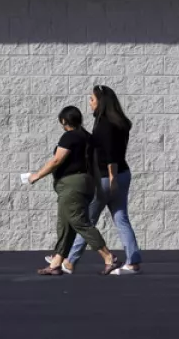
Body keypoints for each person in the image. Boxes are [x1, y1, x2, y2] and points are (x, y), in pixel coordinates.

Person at [23, 105, 118, 275]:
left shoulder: (70, 137)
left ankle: (108, 257)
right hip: (86, 183)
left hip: (72, 185)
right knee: (65, 224)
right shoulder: (89, 138)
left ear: (64, 121)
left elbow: (57, 160)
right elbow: (95, 165)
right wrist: (96, 186)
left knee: (79, 222)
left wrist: (36, 176)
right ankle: (56, 264)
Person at [63, 84, 143, 275]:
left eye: (92, 99)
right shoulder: (119, 122)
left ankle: (70, 261)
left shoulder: (105, 124)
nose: (89, 103)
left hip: (107, 178)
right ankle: (133, 262)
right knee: (121, 218)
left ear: (101, 102)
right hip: (123, 174)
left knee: (86, 221)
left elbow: (110, 153)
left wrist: (112, 177)